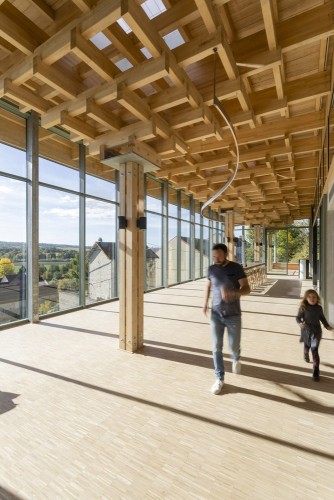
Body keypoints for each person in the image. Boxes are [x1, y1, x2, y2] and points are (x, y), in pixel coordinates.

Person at [203, 243, 250, 394]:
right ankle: (219, 378)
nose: (216, 258)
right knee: (216, 347)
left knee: (233, 346)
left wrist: (235, 293)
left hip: (234, 315)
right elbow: (208, 286)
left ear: (226, 254)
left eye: (219, 255)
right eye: (214, 255)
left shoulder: (236, 268)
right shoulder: (211, 269)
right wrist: (205, 303)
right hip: (216, 314)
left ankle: (236, 356)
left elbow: (247, 288)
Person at [296, 289, 333, 381]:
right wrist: (300, 323)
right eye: (309, 297)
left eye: (314, 297)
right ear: (306, 298)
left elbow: (322, 319)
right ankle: (305, 354)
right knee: (306, 346)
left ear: (317, 298)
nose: (312, 299)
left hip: (316, 332)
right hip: (306, 331)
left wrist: (328, 327)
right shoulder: (303, 307)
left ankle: (316, 371)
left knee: (315, 350)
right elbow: (298, 317)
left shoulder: (319, 308)